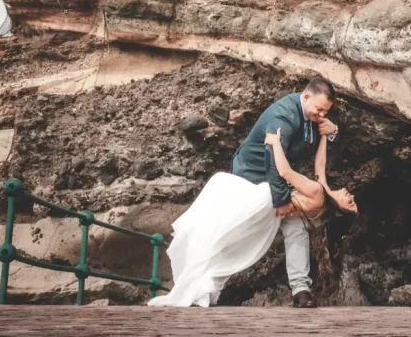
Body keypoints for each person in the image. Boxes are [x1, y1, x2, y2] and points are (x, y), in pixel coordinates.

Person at [147, 79, 356, 308]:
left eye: (326, 111)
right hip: (250, 179)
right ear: (305, 97)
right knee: (236, 236)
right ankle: (205, 286)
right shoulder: (283, 117)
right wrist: (281, 201)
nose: (323, 114)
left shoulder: (311, 115)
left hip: (277, 182)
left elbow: (315, 159)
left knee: (296, 227)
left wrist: (332, 131)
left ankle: (300, 290)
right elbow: (273, 162)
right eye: (320, 109)